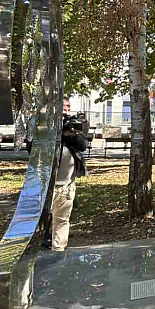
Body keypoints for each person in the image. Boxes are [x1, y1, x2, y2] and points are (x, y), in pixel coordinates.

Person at [50, 99, 88, 251]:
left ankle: (57, 253)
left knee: (62, 220)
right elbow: (31, 147)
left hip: (66, 185)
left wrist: (69, 132)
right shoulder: (43, 126)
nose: (66, 110)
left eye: (68, 107)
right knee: (39, 222)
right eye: (62, 107)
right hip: (46, 186)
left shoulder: (73, 125)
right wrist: (56, 129)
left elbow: (83, 146)